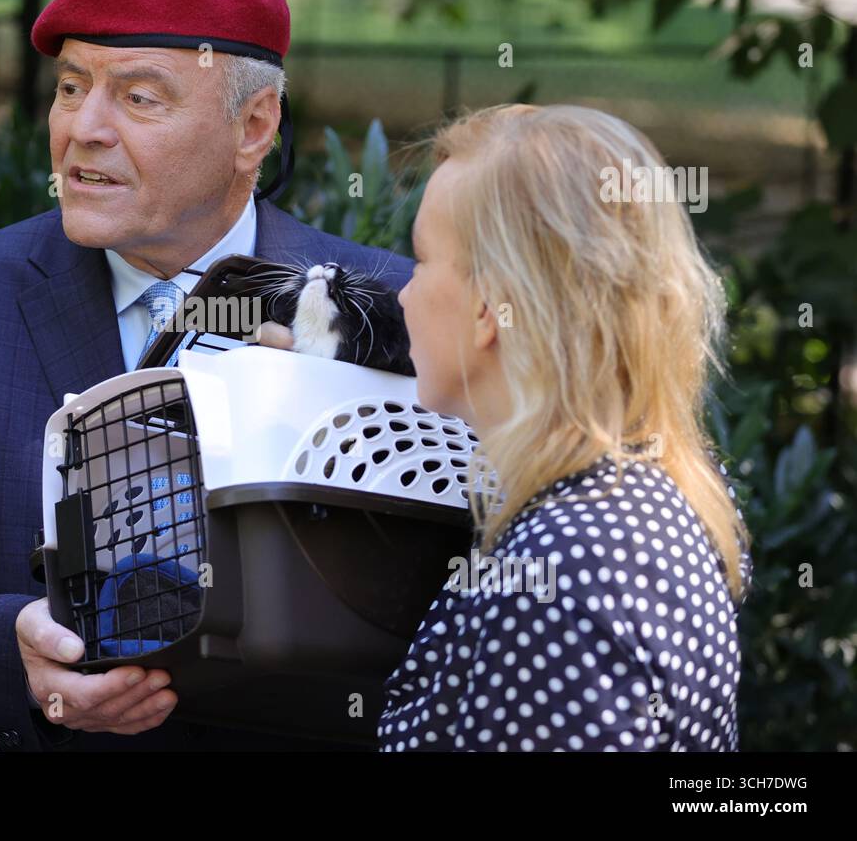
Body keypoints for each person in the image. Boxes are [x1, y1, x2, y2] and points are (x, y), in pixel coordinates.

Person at [0, 0, 412, 751]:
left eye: (138, 98)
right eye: (71, 89)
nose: (84, 130)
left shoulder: (388, 306)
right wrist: (22, 657)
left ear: (254, 127)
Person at [264, 103, 753, 750]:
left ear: (492, 308)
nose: (404, 292)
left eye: (423, 260)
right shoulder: (650, 491)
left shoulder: (564, 572)